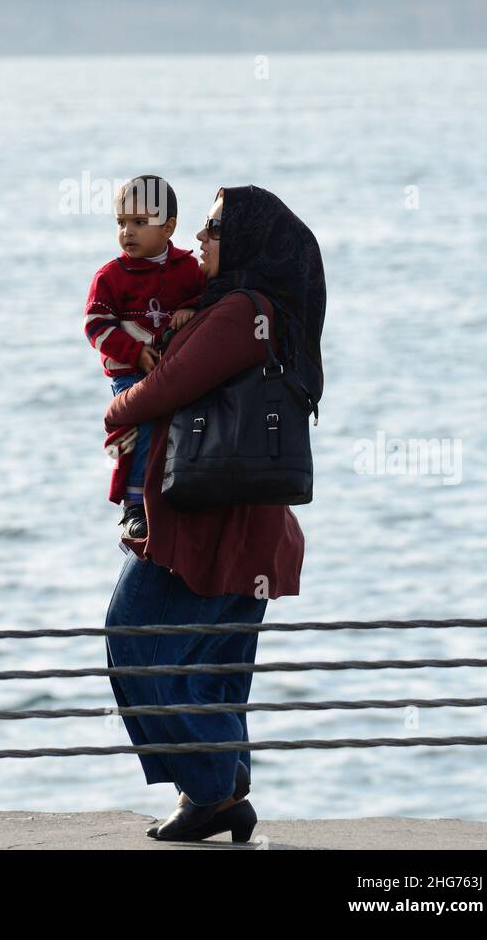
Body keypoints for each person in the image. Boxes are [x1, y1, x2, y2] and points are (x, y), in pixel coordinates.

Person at [103, 183, 326, 844]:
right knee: (212, 669)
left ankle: (212, 790)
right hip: (249, 521)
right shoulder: (249, 307)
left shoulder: (239, 311)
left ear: (247, 241)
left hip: (208, 525)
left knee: (131, 639)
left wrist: (114, 411)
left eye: (212, 227)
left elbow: (169, 386)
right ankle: (218, 792)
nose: (197, 238)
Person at [83, 174, 205, 539]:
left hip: (175, 370)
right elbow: (96, 326)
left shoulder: (187, 270)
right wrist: (134, 353)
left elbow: (211, 300)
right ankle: (134, 506)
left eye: (139, 222)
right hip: (129, 374)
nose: (127, 232)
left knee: (185, 425)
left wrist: (191, 308)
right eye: (121, 223)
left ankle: (181, 491)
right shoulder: (110, 277)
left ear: (168, 227)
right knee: (142, 429)